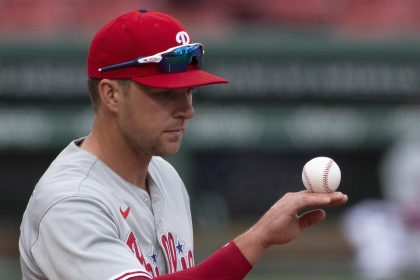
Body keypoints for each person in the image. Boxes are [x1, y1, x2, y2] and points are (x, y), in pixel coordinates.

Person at [19, 8, 348, 280]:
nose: (187, 110)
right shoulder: (70, 202)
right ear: (111, 94)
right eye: (165, 95)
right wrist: (257, 239)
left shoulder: (164, 175)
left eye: (188, 92)